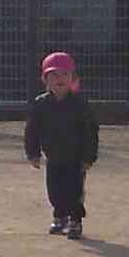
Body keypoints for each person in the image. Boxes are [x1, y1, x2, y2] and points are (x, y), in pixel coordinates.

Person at [25, 52, 99, 240]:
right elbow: (32, 130)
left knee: (74, 191)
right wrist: (33, 153)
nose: (60, 79)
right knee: (54, 191)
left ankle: (75, 220)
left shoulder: (81, 104)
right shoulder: (40, 104)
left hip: (76, 158)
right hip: (53, 157)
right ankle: (59, 216)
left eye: (64, 74)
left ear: (73, 78)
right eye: (54, 75)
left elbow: (91, 132)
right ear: (45, 80)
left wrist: (89, 157)